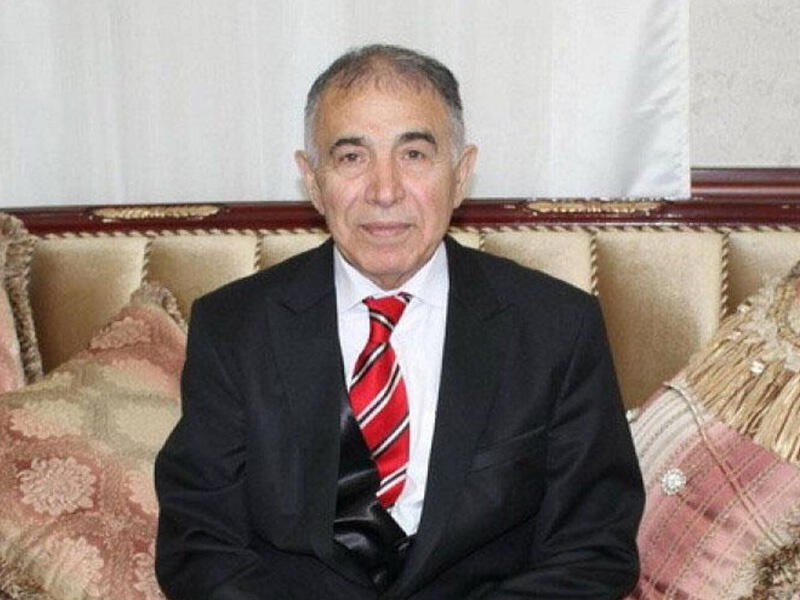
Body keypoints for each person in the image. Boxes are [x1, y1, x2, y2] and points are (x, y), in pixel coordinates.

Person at [155, 44, 644, 599]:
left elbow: (594, 549)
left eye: (413, 155)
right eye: (351, 157)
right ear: (312, 182)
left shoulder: (557, 328)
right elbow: (198, 543)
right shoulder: (234, 328)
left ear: (461, 174)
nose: (384, 191)